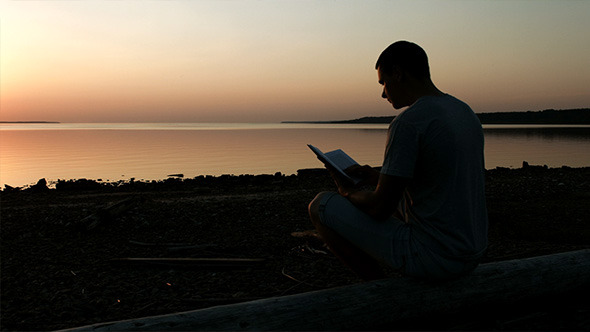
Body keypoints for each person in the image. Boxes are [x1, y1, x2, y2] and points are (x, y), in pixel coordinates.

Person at [308, 41, 488, 281]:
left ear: (398, 73)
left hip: (436, 257)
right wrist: (376, 176)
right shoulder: (463, 112)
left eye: (383, 82)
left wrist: (346, 191)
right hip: (472, 251)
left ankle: (380, 289)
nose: (383, 92)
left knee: (320, 205)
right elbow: (436, 178)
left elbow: (379, 208)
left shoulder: (408, 122)